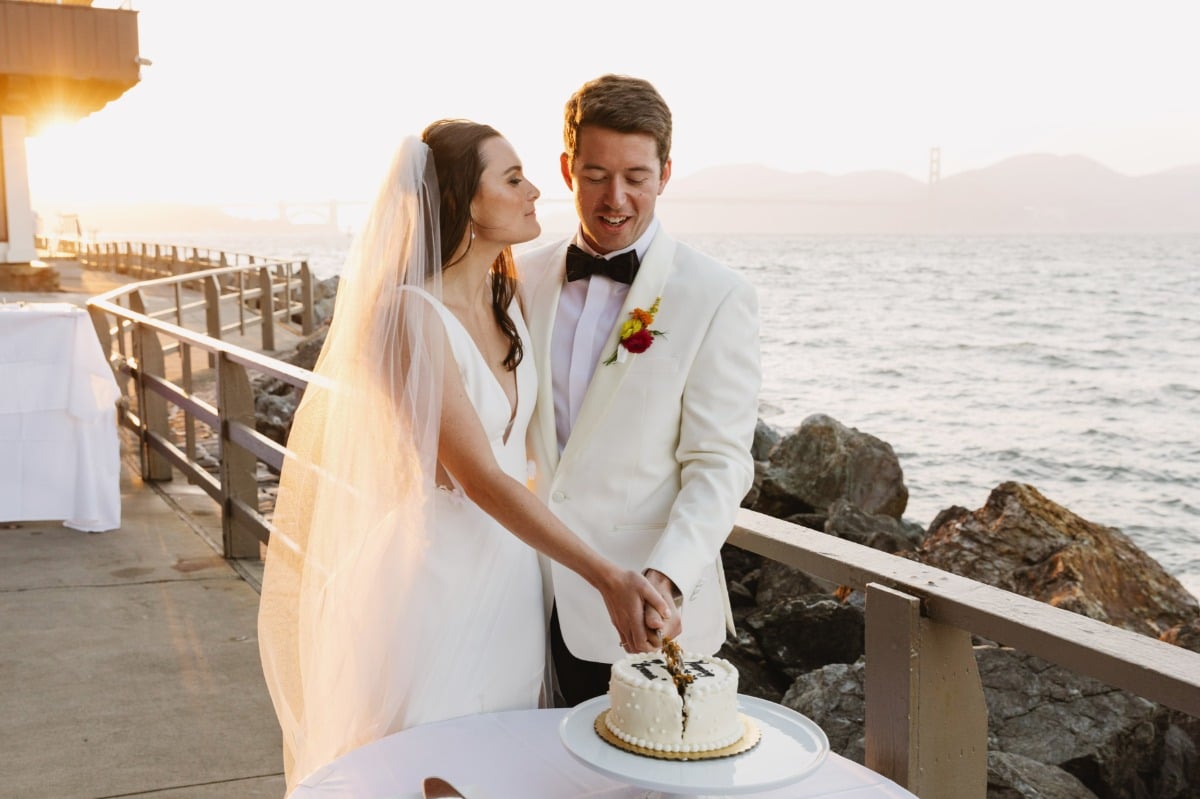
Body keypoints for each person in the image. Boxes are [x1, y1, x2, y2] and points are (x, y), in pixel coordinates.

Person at [257, 119, 672, 793]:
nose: (538, 190)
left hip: (510, 576)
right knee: (427, 765)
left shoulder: (504, 299)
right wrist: (606, 574)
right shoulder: (407, 314)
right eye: (512, 178)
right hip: (440, 579)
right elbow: (476, 475)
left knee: (493, 771)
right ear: (460, 201)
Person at [518, 75, 763, 706]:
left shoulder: (716, 295)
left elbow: (719, 462)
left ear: (666, 173)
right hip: (520, 599)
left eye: (636, 176)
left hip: (648, 618)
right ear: (568, 169)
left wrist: (668, 579)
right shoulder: (521, 276)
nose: (615, 197)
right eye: (596, 174)